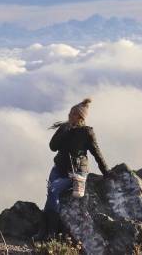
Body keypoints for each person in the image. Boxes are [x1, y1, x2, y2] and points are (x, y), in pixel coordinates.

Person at [34, 98, 109, 241]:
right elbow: (52, 147)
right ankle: (44, 232)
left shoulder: (87, 132)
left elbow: (97, 153)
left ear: (81, 117)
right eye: (70, 112)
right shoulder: (64, 128)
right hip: (58, 168)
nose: (69, 115)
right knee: (51, 194)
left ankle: (51, 234)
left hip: (76, 172)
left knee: (53, 190)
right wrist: (63, 131)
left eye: (73, 113)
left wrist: (106, 172)